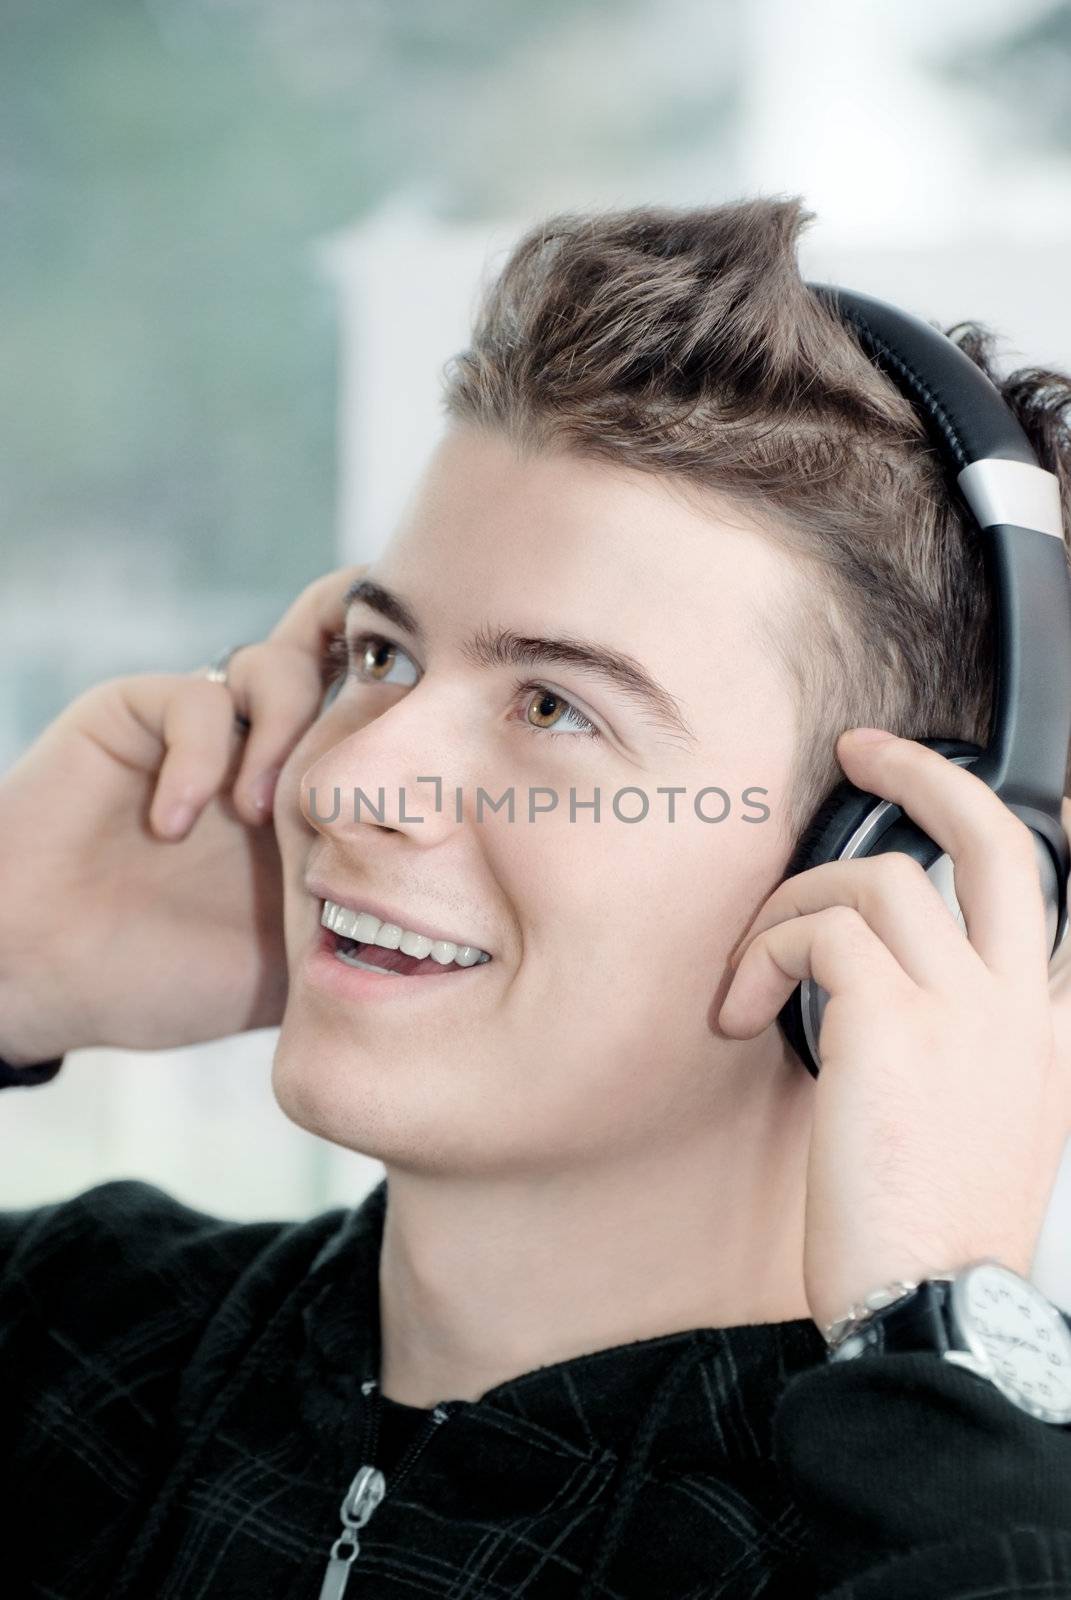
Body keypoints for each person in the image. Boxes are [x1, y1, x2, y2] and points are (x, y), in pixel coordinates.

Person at [2, 195, 1071, 1599]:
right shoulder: (74, 1331)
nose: (346, 780)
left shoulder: (954, 1546)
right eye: (382, 657)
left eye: (556, 706)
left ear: (896, 863)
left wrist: (938, 1371)